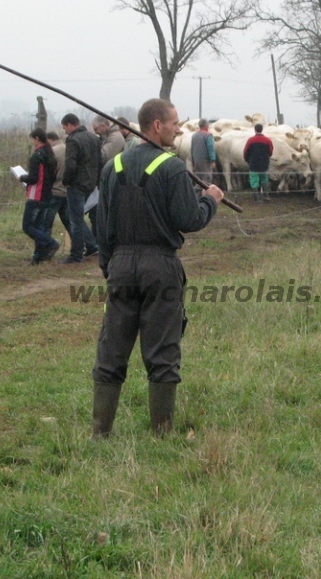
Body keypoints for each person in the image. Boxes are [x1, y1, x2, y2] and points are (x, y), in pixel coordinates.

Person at [91, 98, 224, 437]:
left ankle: (100, 433)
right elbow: (188, 220)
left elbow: (102, 226)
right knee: (163, 348)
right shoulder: (172, 167)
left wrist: (111, 268)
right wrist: (210, 199)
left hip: (120, 265)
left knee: (112, 347)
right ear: (156, 126)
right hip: (160, 266)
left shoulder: (112, 167)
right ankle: (162, 435)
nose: (179, 128)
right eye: (175, 122)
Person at [60, 113, 100, 264]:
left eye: (65, 127)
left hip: (76, 184)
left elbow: (70, 164)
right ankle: (92, 245)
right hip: (91, 184)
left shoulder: (73, 140)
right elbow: (100, 161)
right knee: (79, 218)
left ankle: (76, 254)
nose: (65, 131)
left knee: (75, 219)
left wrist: (66, 181)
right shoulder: (94, 138)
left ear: (70, 124)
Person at [19, 128, 61, 264]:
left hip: (36, 195)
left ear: (37, 139)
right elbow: (54, 175)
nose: (32, 142)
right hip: (48, 194)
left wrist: (22, 177)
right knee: (39, 227)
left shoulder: (36, 156)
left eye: (32, 139)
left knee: (28, 227)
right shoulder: (50, 154)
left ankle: (51, 243)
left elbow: (33, 178)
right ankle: (39, 256)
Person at [243, 123, 274, 202]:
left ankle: (257, 199)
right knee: (264, 180)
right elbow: (270, 151)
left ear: (255, 129)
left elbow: (245, 151)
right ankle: (266, 196)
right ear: (262, 129)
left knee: (254, 181)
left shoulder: (250, 140)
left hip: (253, 164)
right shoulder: (268, 140)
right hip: (264, 164)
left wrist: (247, 160)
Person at [190, 118, 217, 186]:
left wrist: (193, 161)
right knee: (207, 179)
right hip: (205, 161)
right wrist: (213, 160)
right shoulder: (208, 135)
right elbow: (210, 148)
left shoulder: (194, 135)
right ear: (206, 125)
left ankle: (197, 195)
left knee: (198, 179)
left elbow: (192, 149)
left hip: (196, 160)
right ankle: (203, 194)